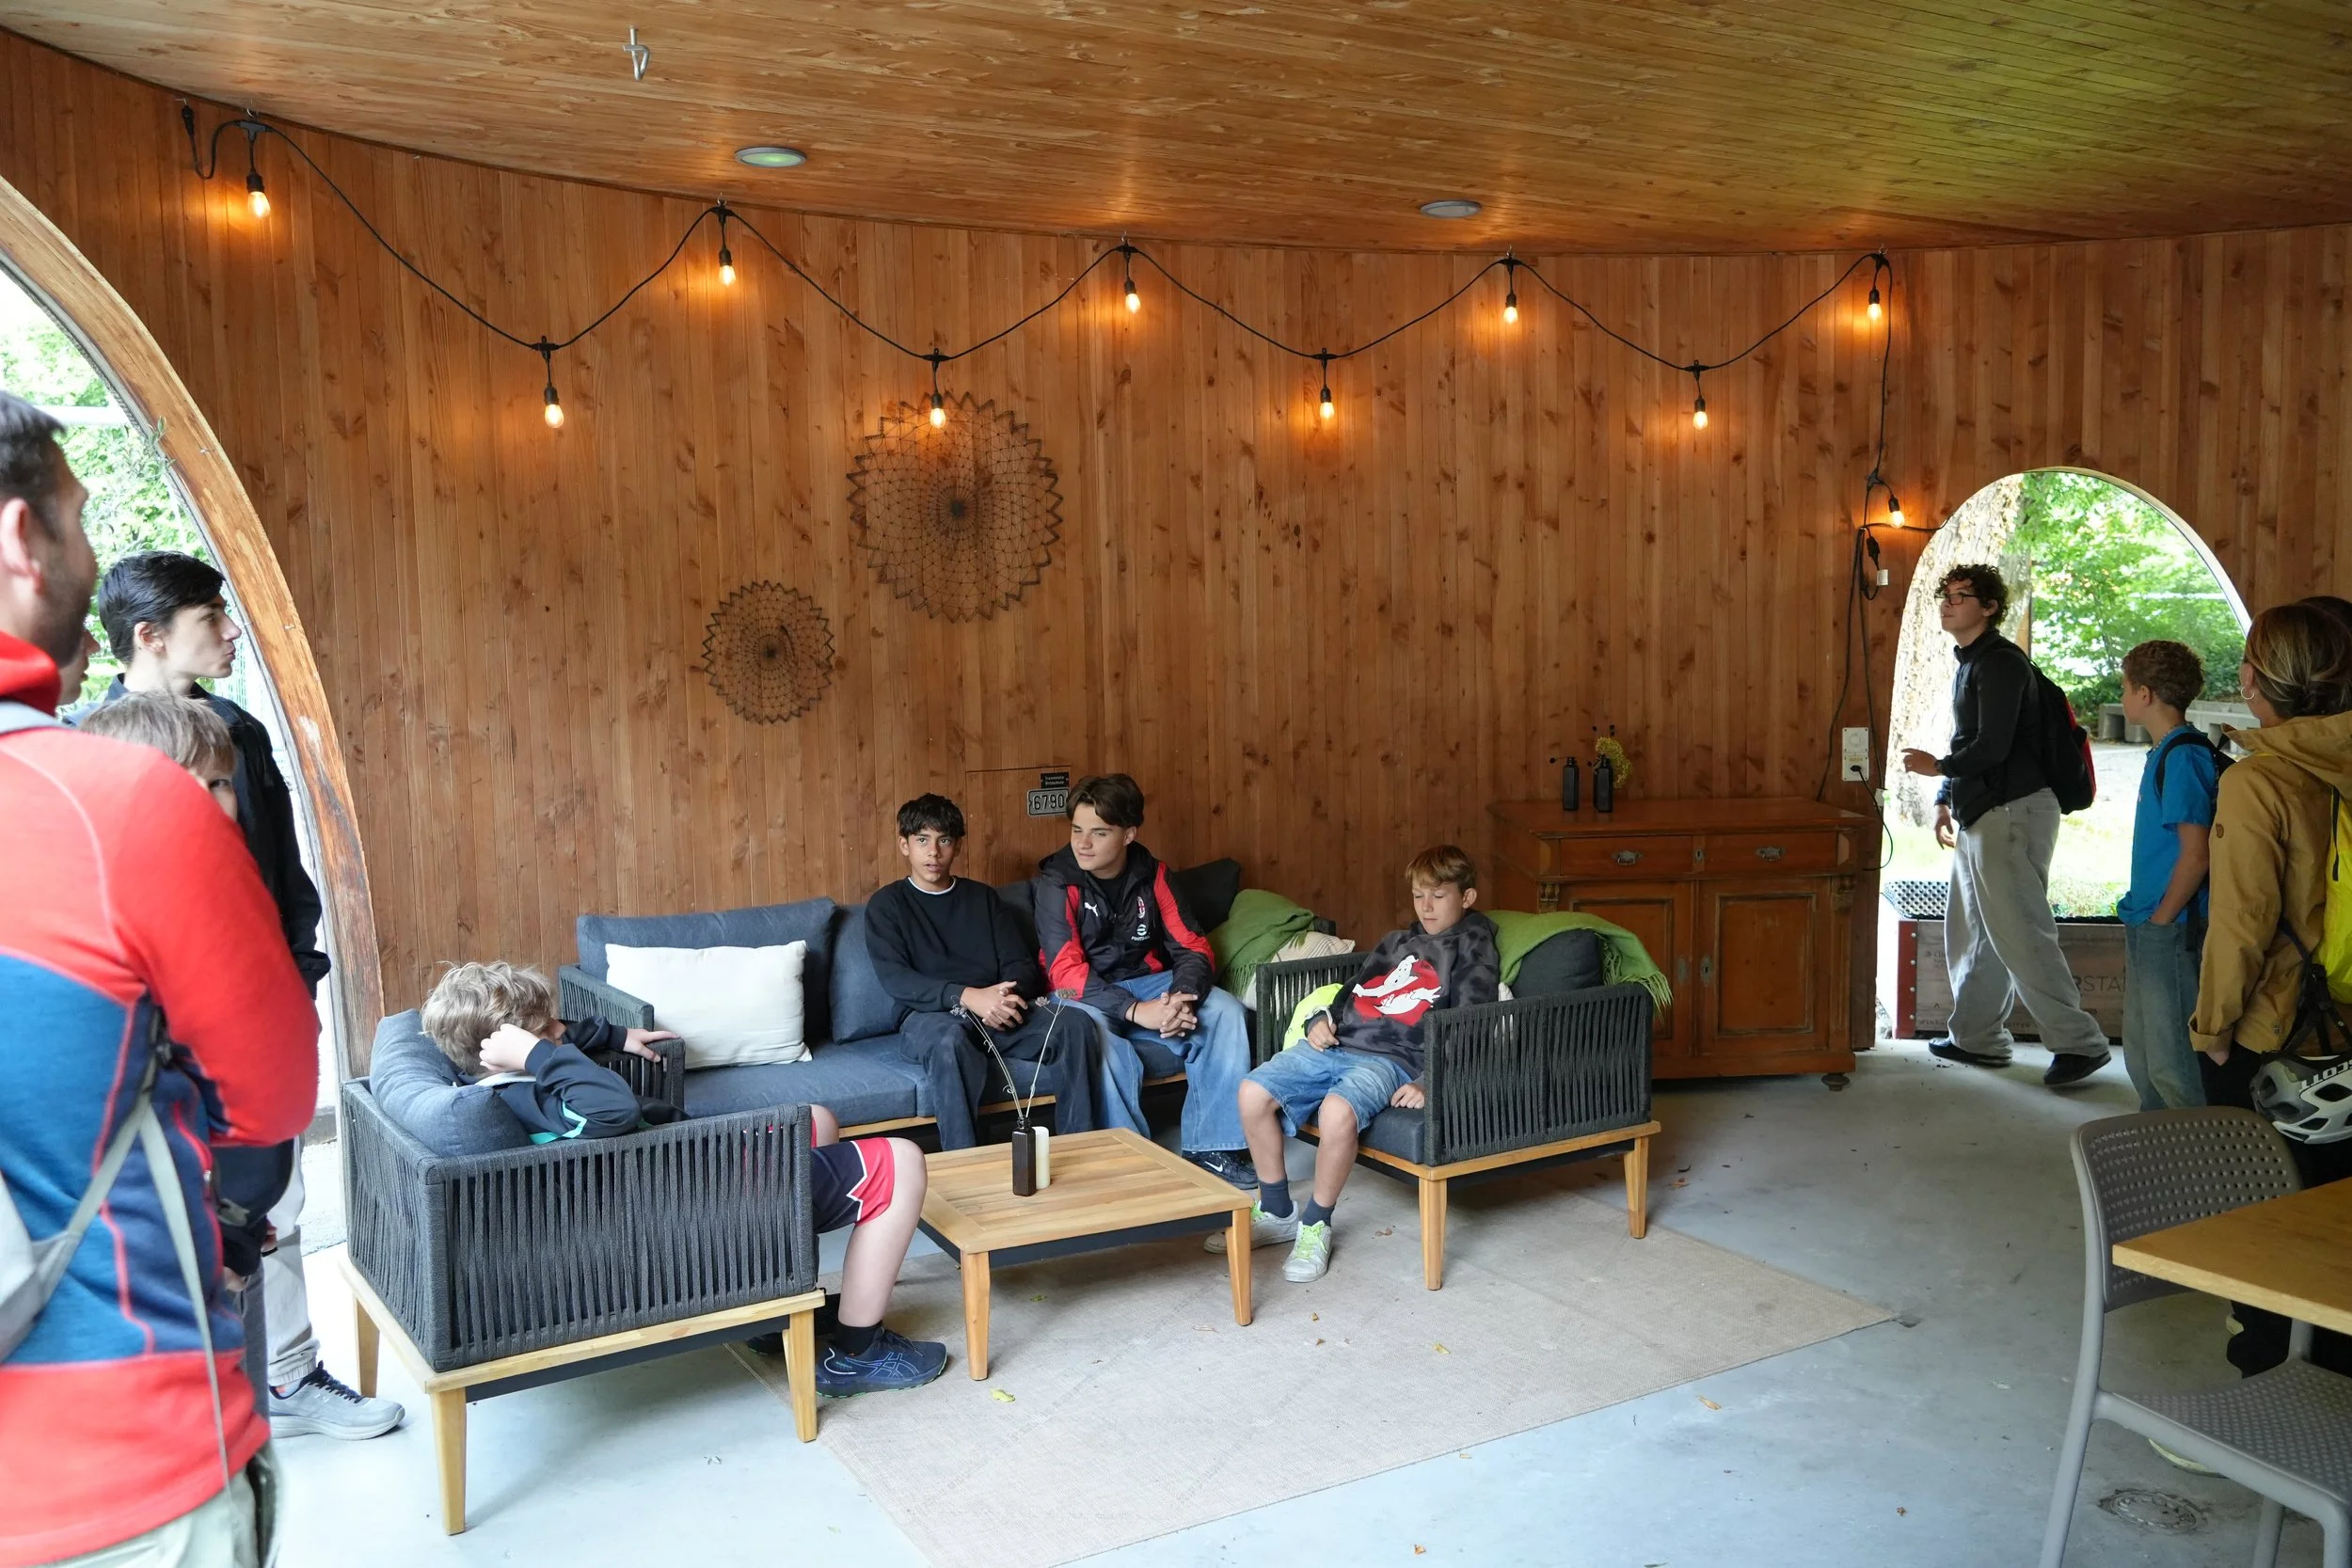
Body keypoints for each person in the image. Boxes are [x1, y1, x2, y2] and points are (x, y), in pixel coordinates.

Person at [0, 391, 320, 1566]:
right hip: (119, 1448)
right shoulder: (116, 800)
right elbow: (272, 1097)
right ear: (22, 539)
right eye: (81, 516)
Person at [89, 550, 392, 1442]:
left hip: (258, 1004)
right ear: (150, 636)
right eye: (209, 617)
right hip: (154, 1032)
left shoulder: (239, 731)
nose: (230, 631)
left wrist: (293, 977)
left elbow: (284, 874)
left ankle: (287, 1372)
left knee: (272, 1202)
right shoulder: (86, 741)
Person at [421, 961, 948, 1395]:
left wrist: (607, 1036)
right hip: (699, 1199)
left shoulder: (488, 1080)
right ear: (511, 1049)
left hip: (679, 1173)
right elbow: (615, 1110)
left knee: (816, 1119)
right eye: (547, 1033)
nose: (561, 1033)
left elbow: (562, 1042)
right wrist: (542, 1055)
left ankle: (774, 1303)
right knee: (900, 1161)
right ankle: (857, 1352)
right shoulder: (541, 1100)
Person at [2188, 601, 2352, 1379]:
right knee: (2336, 1220)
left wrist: (2213, 1030)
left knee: (2259, 1215)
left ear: (2257, 681)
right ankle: (2334, 1380)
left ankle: (2262, 1380)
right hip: (2345, 1024)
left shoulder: (2258, 781)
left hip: (2276, 1031)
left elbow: (2242, 924)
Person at [1226, 846, 1500, 1282]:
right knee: (1252, 1092)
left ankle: (1315, 1224)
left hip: (1392, 1058)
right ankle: (1277, 1210)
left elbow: (1471, 1022)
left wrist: (1430, 1080)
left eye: (1438, 896)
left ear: (1467, 898)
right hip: (1338, 1043)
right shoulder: (1394, 943)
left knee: (1337, 1113)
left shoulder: (1473, 950)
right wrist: (1321, 1020)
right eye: (1418, 896)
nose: (1426, 907)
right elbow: (1350, 993)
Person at [1900, 562, 2112, 1085]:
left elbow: (1991, 746)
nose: (1948, 604)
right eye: (1946, 595)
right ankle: (1976, 1037)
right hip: (1986, 811)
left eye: (1961, 596)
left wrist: (1939, 769)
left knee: (2021, 931)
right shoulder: (1973, 662)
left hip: (2013, 811)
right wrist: (1946, 798)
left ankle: (2080, 1044)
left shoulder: (2000, 663)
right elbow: (1970, 739)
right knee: (1976, 930)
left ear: (1990, 607)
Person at [1034, 773, 1256, 1186]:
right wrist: (1136, 1011)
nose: (1083, 843)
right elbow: (1064, 971)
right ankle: (1132, 1163)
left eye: (1099, 833)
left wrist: (1182, 997)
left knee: (1226, 1011)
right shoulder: (1057, 881)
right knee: (1095, 1038)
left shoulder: (1153, 873)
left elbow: (1193, 946)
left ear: (1128, 834)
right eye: (1077, 830)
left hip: (1150, 983)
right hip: (1081, 994)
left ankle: (1215, 1150)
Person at [864, 794, 1101, 1149]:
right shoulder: (887, 905)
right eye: (922, 840)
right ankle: (966, 1165)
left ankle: (1081, 1149)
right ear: (904, 845)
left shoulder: (983, 899)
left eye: (944, 840)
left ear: (957, 846)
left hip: (996, 1011)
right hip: (931, 1017)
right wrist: (967, 997)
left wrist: (1003, 999)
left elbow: (1020, 964)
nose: (933, 852)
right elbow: (897, 979)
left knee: (1074, 1024)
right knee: (949, 1042)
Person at [2114, 641, 2219, 1111]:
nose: (2123, 696)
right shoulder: (2163, 752)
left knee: (2172, 1064)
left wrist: (2162, 921)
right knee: (2143, 1057)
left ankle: (2196, 1152)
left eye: (2125, 687)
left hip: (2171, 926)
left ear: (2145, 694)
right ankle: (2155, 1146)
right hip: (2148, 920)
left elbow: (2196, 854)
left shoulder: (2184, 756)